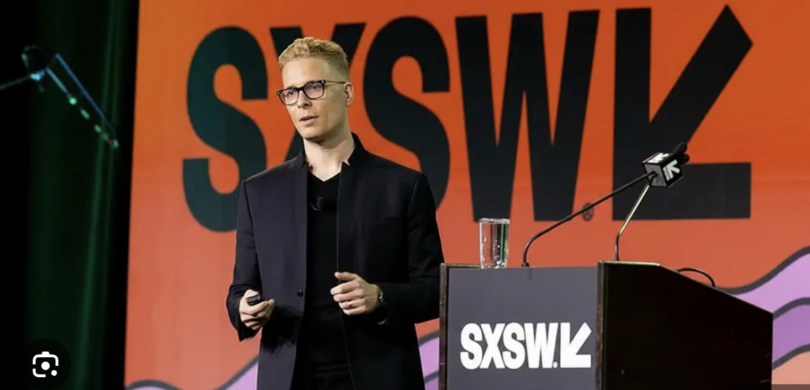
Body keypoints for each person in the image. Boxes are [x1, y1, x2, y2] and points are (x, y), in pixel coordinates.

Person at [225, 37, 445, 390]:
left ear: (347, 93)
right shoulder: (259, 192)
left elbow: (435, 289)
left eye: (315, 87)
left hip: (379, 376)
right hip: (291, 378)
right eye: (291, 92)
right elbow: (241, 288)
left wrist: (380, 296)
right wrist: (244, 308)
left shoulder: (402, 185)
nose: (302, 102)